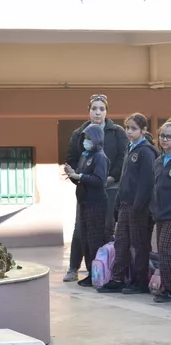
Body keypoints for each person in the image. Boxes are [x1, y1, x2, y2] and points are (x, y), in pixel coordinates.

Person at [63, 94, 129, 282]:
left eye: (102, 109)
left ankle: (106, 268)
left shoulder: (117, 132)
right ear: (89, 111)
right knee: (80, 228)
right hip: (87, 189)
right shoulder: (79, 133)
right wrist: (81, 180)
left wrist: (110, 178)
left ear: (107, 111)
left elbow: (122, 158)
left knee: (106, 228)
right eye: (94, 108)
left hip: (111, 187)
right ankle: (74, 268)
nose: (98, 112)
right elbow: (72, 160)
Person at [97, 113, 157, 294]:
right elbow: (124, 180)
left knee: (139, 244)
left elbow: (147, 183)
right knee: (121, 242)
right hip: (125, 204)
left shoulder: (146, 151)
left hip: (139, 207)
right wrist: (118, 202)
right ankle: (118, 278)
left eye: (134, 128)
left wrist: (138, 206)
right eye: (127, 128)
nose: (129, 132)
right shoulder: (130, 148)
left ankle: (140, 281)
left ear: (143, 130)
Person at [64, 124, 109, 287]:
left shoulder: (100, 157)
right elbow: (80, 178)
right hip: (84, 202)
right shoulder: (85, 155)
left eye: (89, 138)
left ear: (97, 138)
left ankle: (97, 274)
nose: (86, 141)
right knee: (85, 240)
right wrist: (72, 174)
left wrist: (80, 176)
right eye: (85, 138)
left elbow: (99, 180)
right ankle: (91, 272)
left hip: (95, 203)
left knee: (94, 240)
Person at [151, 121, 171, 303]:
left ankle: (169, 289)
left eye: (169, 137)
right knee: (162, 252)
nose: (165, 139)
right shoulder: (158, 161)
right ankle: (165, 286)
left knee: (165, 250)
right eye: (163, 136)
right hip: (160, 214)